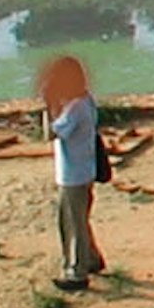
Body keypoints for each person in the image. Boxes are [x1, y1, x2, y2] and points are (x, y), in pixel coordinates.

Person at [38, 50, 107, 291]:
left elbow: (51, 133)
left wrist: (47, 106)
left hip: (73, 175)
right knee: (80, 219)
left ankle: (76, 273)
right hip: (84, 170)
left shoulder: (75, 108)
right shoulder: (85, 100)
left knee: (71, 224)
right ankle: (92, 259)